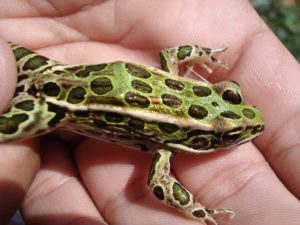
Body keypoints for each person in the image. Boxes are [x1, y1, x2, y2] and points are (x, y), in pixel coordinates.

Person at [0, 1, 299, 225]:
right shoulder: (166, 149)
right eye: (230, 94)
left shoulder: (174, 76)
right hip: (51, 106)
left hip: (52, 68)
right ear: (197, 139)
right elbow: (158, 185)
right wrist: (198, 210)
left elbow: (172, 54)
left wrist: (203, 53)